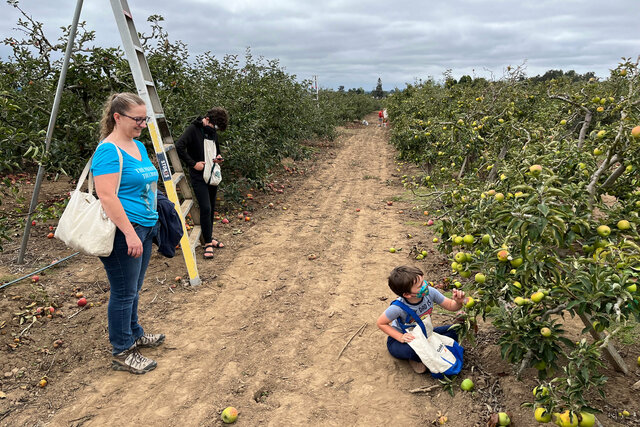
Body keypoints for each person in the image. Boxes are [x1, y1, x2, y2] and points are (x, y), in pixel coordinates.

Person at [93, 92, 164, 374]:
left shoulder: (137, 146)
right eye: (137, 119)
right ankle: (123, 350)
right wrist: (130, 233)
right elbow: (107, 196)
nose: (142, 124)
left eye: (144, 119)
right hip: (125, 232)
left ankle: (134, 333)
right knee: (123, 292)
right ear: (117, 117)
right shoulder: (108, 151)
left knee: (134, 289)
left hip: (144, 227)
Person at [376, 265, 466, 374]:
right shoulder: (398, 307)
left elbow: (451, 306)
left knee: (456, 329)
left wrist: (458, 302)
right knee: (413, 351)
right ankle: (415, 358)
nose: (425, 285)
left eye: (423, 281)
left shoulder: (430, 293)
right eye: (420, 286)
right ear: (407, 294)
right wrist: (400, 337)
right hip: (403, 341)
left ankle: (425, 357)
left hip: (425, 334)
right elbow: (381, 323)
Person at [175, 108, 229, 259]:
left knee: (211, 207)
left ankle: (209, 237)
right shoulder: (193, 129)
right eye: (215, 126)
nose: (215, 130)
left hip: (211, 174)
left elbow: (216, 150)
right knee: (205, 207)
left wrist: (218, 158)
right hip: (198, 175)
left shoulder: (212, 133)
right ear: (207, 119)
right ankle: (207, 244)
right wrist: (193, 164)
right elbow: (179, 146)